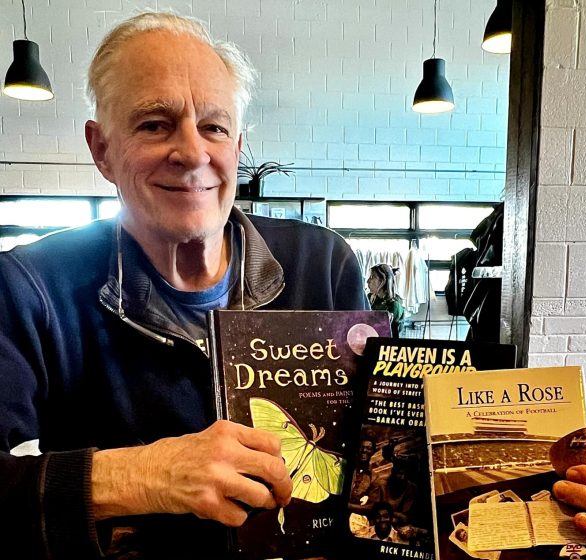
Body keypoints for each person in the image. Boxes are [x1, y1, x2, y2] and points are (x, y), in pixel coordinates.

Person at [0, 11, 368, 560]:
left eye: (214, 127)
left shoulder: (323, 264)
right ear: (101, 149)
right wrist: (144, 474)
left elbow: (369, 450)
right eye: (154, 123)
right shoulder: (31, 289)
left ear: (238, 148)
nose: (193, 153)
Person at [367, 263, 404, 337]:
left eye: (373, 277)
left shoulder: (395, 305)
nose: (368, 281)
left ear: (383, 281)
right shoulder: (370, 298)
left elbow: (383, 330)